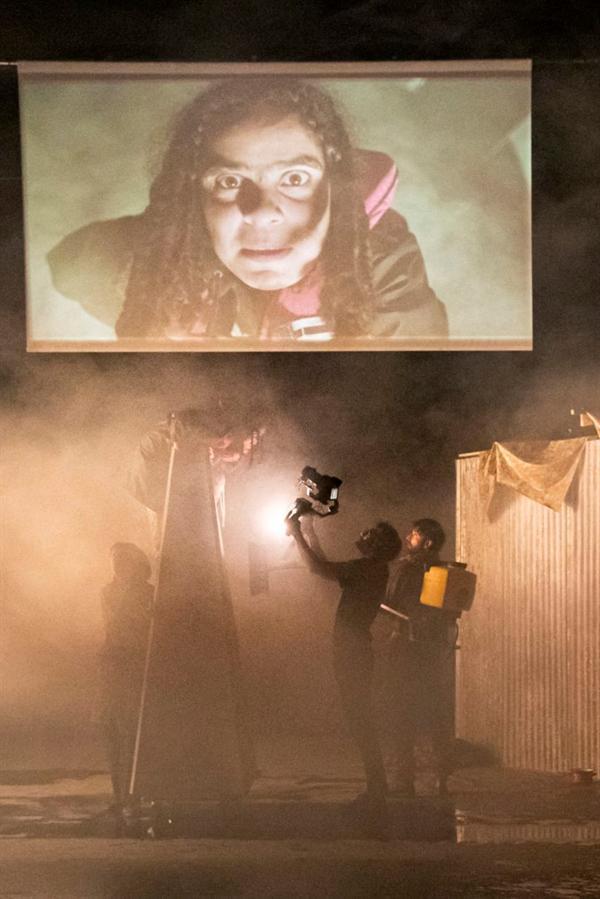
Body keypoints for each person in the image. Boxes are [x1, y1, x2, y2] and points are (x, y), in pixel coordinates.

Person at [47, 77, 448, 344]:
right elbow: (70, 266)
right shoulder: (171, 244)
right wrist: (160, 306)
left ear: (336, 189)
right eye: (229, 182)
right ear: (196, 202)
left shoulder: (382, 264)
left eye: (294, 178)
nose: (261, 213)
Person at [287, 513, 401, 816]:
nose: (363, 534)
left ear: (376, 546)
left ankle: (377, 787)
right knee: (359, 717)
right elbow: (324, 566)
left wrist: (297, 533)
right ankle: (377, 784)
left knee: (359, 719)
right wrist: (309, 532)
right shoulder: (373, 569)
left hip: (352, 651)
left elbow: (317, 568)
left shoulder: (366, 568)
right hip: (356, 648)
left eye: (370, 534)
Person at [386, 518, 456, 798]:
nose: (408, 538)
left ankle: (404, 780)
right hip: (433, 650)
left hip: (406, 648)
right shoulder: (444, 572)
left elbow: (390, 601)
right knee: (434, 713)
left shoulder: (407, 568)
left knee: (402, 712)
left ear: (427, 542)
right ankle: (441, 778)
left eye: (414, 534)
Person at [98, 542, 153, 811]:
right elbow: (115, 624)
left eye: (122, 559)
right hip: (115, 666)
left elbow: (139, 625)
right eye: (115, 559)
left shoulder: (148, 593)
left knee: (134, 732)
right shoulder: (108, 592)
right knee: (113, 730)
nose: (117, 564)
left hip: (137, 666)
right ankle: (120, 794)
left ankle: (135, 792)